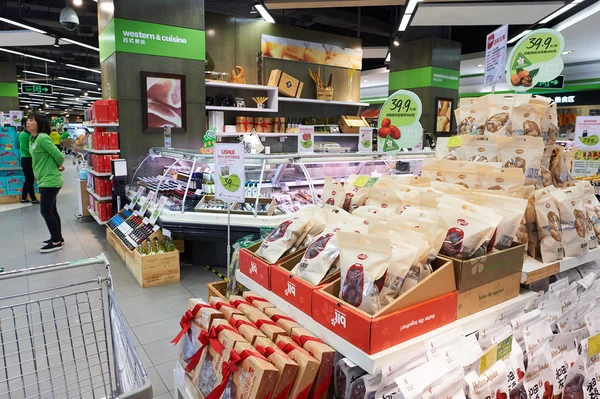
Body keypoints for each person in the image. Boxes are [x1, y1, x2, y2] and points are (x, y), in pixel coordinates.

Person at [28, 113, 65, 253]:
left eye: (32, 120)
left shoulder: (43, 137)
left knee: (46, 211)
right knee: (52, 210)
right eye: (28, 119)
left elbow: (59, 155)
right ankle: (57, 237)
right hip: (44, 179)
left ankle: (56, 241)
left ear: (40, 123)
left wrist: (58, 165)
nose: (28, 122)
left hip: (50, 180)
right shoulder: (33, 139)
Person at [18, 117, 38, 204]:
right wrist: (33, 153)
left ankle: (23, 197)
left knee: (29, 179)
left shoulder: (29, 134)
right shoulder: (23, 135)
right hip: (26, 159)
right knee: (29, 180)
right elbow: (23, 148)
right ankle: (33, 199)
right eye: (27, 123)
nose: (29, 124)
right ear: (23, 125)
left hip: (30, 159)